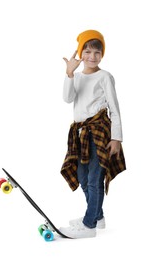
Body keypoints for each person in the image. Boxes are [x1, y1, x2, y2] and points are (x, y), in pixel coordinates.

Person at [60, 29, 126, 239]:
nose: (92, 56)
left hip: (99, 131)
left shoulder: (105, 77)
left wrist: (116, 138)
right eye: (87, 51)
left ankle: (89, 226)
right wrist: (69, 74)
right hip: (80, 133)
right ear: (80, 53)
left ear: (102, 54)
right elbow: (68, 98)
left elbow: (114, 108)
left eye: (97, 52)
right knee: (82, 175)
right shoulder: (77, 77)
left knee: (95, 178)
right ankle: (97, 216)